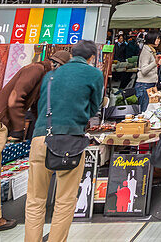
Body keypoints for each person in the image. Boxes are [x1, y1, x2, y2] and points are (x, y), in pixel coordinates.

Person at [0, 50, 69, 242]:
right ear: (57, 66)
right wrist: (19, 129)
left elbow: (35, 106)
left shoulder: (42, 77)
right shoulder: (35, 69)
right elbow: (15, 99)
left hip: (0, 126)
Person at [24, 41, 103, 242]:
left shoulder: (50, 76)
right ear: (92, 57)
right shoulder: (94, 74)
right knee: (65, 200)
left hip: (41, 137)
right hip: (69, 140)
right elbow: (93, 108)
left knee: (35, 200)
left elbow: (40, 106)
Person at [135, 30, 160, 112]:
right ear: (151, 39)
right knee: (144, 111)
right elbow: (144, 70)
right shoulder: (146, 52)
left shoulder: (151, 50)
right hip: (144, 85)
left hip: (149, 84)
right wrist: (155, 63)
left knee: (149, 110)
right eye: (157, 38)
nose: (159, 41)